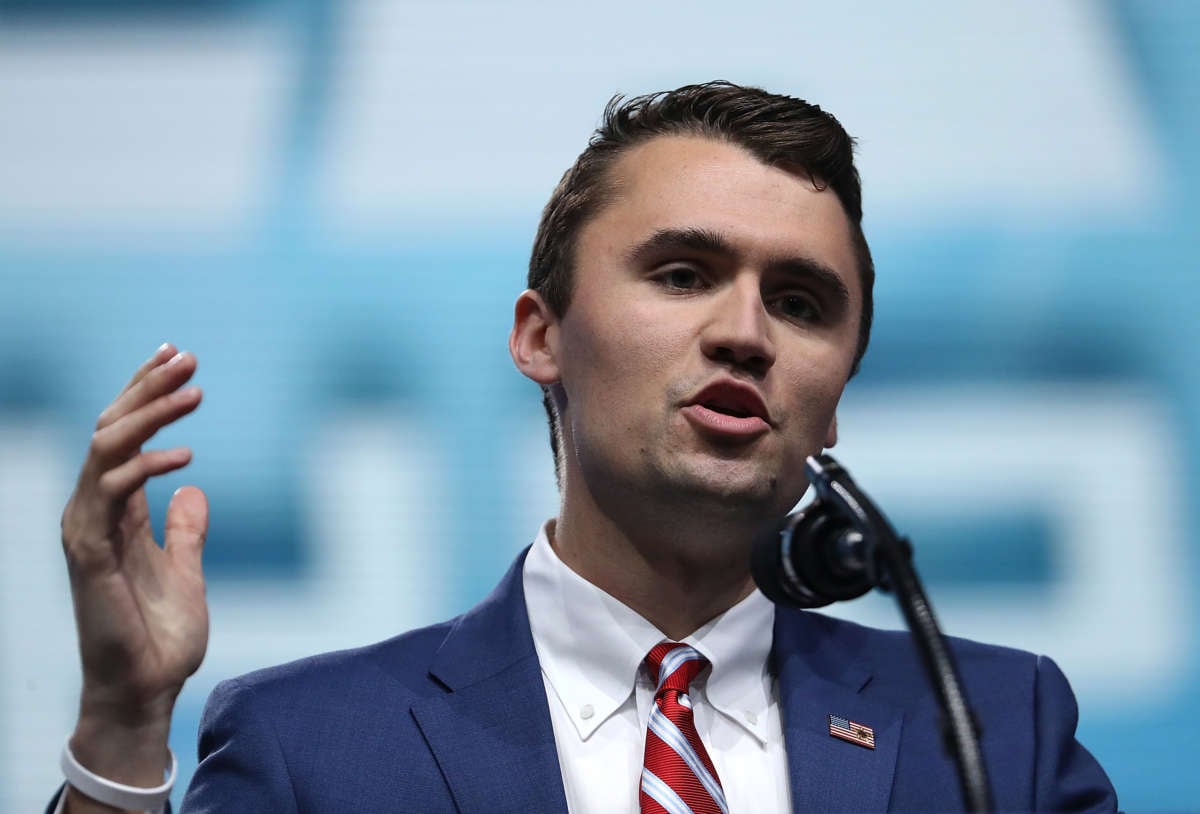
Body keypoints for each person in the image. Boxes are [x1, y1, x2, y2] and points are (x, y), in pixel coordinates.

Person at [51, 82, 1117, 812]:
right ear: (541, 336)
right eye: (684, 274)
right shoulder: (314, 745)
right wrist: (120, 725)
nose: (746, 332)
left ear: (833, 400)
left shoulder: (991, 730)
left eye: (799, 302)